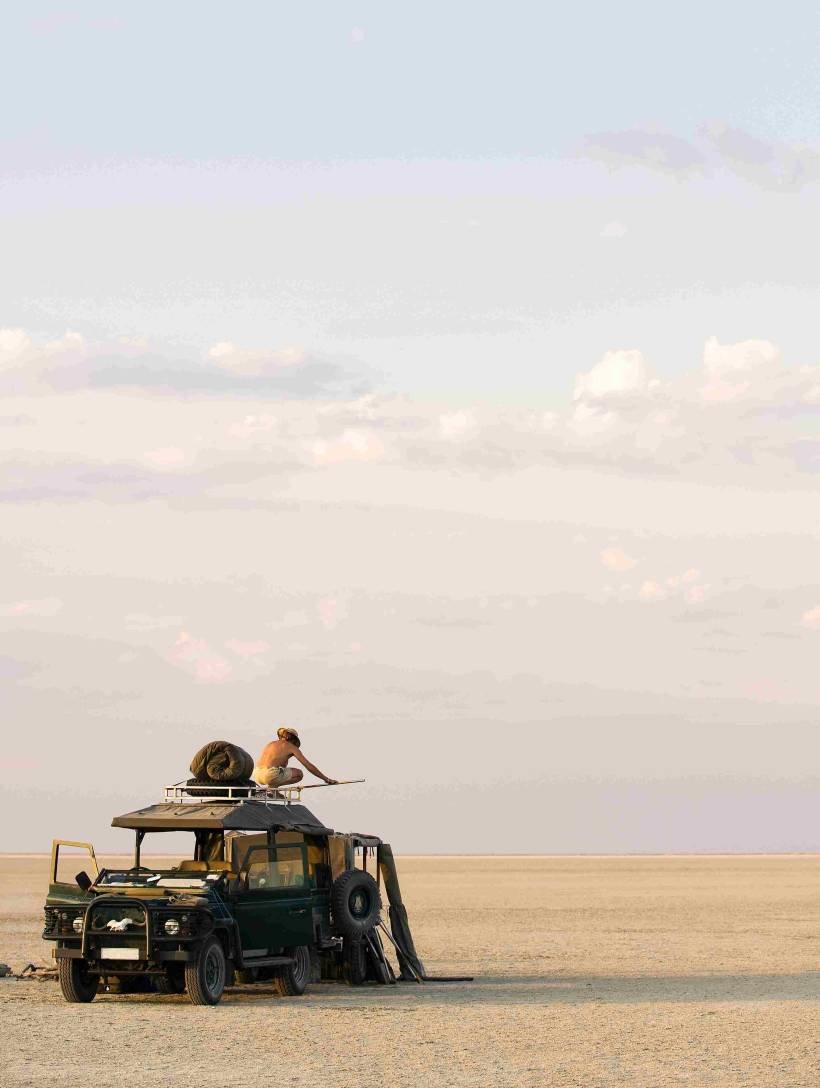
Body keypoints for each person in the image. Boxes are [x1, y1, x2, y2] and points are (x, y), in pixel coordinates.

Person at [253, 727, 338, 789]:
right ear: (293, 740)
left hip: (256, 774)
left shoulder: (271, 744)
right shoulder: (291, 747)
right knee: (299, 774)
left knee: (282, 768)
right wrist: (326, 779)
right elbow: (308, 766)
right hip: (270, 775)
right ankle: (273, 788)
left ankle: (273, 789)